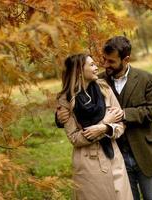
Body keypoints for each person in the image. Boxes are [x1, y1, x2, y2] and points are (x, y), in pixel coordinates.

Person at [56, 36, 152, 200]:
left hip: (143, 151)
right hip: (114, 153)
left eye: (111, 61)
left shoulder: (146, 78)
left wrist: (123, 114)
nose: (105, 65)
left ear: (125, 59)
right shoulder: (99, 81)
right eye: (103, 60)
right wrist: (59, 116)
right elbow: (73, 96)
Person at [57, 53, 133, 200]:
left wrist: (106, 128)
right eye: (91, 65)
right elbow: (74, 138)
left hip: (113, 157)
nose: (96, 67)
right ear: (79, 71)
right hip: (88, 163)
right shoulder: (65, 100)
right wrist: (103, 123)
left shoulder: (104, 88)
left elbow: (120, 124)